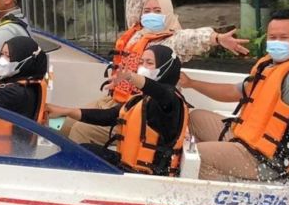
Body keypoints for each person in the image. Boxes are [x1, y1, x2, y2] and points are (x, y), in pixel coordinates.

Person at [62, 0, 249, 145]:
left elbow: (192, 38)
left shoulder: (170, 42)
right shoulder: (136, 30)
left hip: (141, 107)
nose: (150, 14)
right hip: (113, 99)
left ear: (167, 14)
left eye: (157, 10)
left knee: (81, 131)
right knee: (67, 122)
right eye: (147, 10)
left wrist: (216, 38)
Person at [179, 8, 289, 182]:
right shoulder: (267, 66)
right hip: (242, 137)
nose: (277, 42)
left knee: (200, 155)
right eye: (273, 37)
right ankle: (216, 168)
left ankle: (219, 198)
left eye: (283, 38)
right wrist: (192, 84)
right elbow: (233, 92)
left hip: (264, 160)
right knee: (193, 118)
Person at [45, 44, 188, 175]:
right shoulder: (142, 98)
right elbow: (109, 116)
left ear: (166, 68)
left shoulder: (170, 101)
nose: (143, 67)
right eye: (141, 62)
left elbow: (159, 91)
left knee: (81, 154)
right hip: (126, 163)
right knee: (83, 150)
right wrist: (66, 111)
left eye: (149, 63)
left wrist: (130, 76)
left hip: (149, 173)